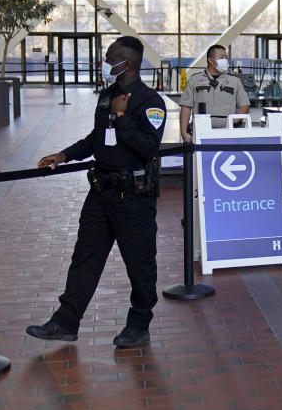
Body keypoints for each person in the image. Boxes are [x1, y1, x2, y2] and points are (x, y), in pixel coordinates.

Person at [26, 36, 165, 348]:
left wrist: (122, 117)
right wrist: (64, 155)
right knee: (84, 258)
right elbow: (96, 138)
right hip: (101, 194)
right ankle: (66, 321)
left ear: (127, 64)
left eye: (110, 58)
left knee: (139, 264)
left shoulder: (150, 101)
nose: (104, 63)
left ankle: (139, 323)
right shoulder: (107, 95)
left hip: (134, 199)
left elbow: (149, 147)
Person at [179, 44, 250, 142]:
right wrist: (184, 133)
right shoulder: (195, 80)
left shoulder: (235, 81)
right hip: (200, 133)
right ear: (211, 60)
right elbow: (186, 107)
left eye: (226, 58)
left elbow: (245, 106)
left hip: (228, 134)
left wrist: (232, 122)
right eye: (221, 57)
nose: (225, 60)